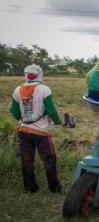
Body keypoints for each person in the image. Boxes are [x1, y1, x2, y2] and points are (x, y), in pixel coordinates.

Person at [10, 65, 62, 193]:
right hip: (41, 132)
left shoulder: (17, 90)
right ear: (39, 75)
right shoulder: (44, 89)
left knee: (27, 161)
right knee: (49, 160)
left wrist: (25, 118)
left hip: (24, 131)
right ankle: (55, 189)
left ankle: (30, 188)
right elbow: (51, 110)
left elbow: (15, 112)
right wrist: (57, 121)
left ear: (26, 75)